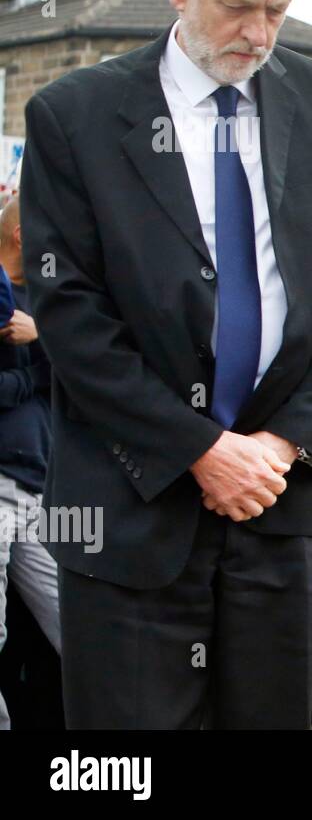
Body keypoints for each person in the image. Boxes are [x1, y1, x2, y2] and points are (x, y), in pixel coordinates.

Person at [21, 0, 312, 728]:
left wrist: (280, 442)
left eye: (278, 10)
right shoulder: (73, 116)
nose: (258, 33)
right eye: (237, 6)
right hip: (128, 510)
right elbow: (70, 314)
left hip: (278, 501)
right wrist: (197, 448)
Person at [0, 198, 57, 731]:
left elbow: (78, 377)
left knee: (76, 618)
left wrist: (42, 337)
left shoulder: (49, 305)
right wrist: (28, 379)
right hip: (3, 482)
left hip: (41, 485)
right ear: (20, 234)